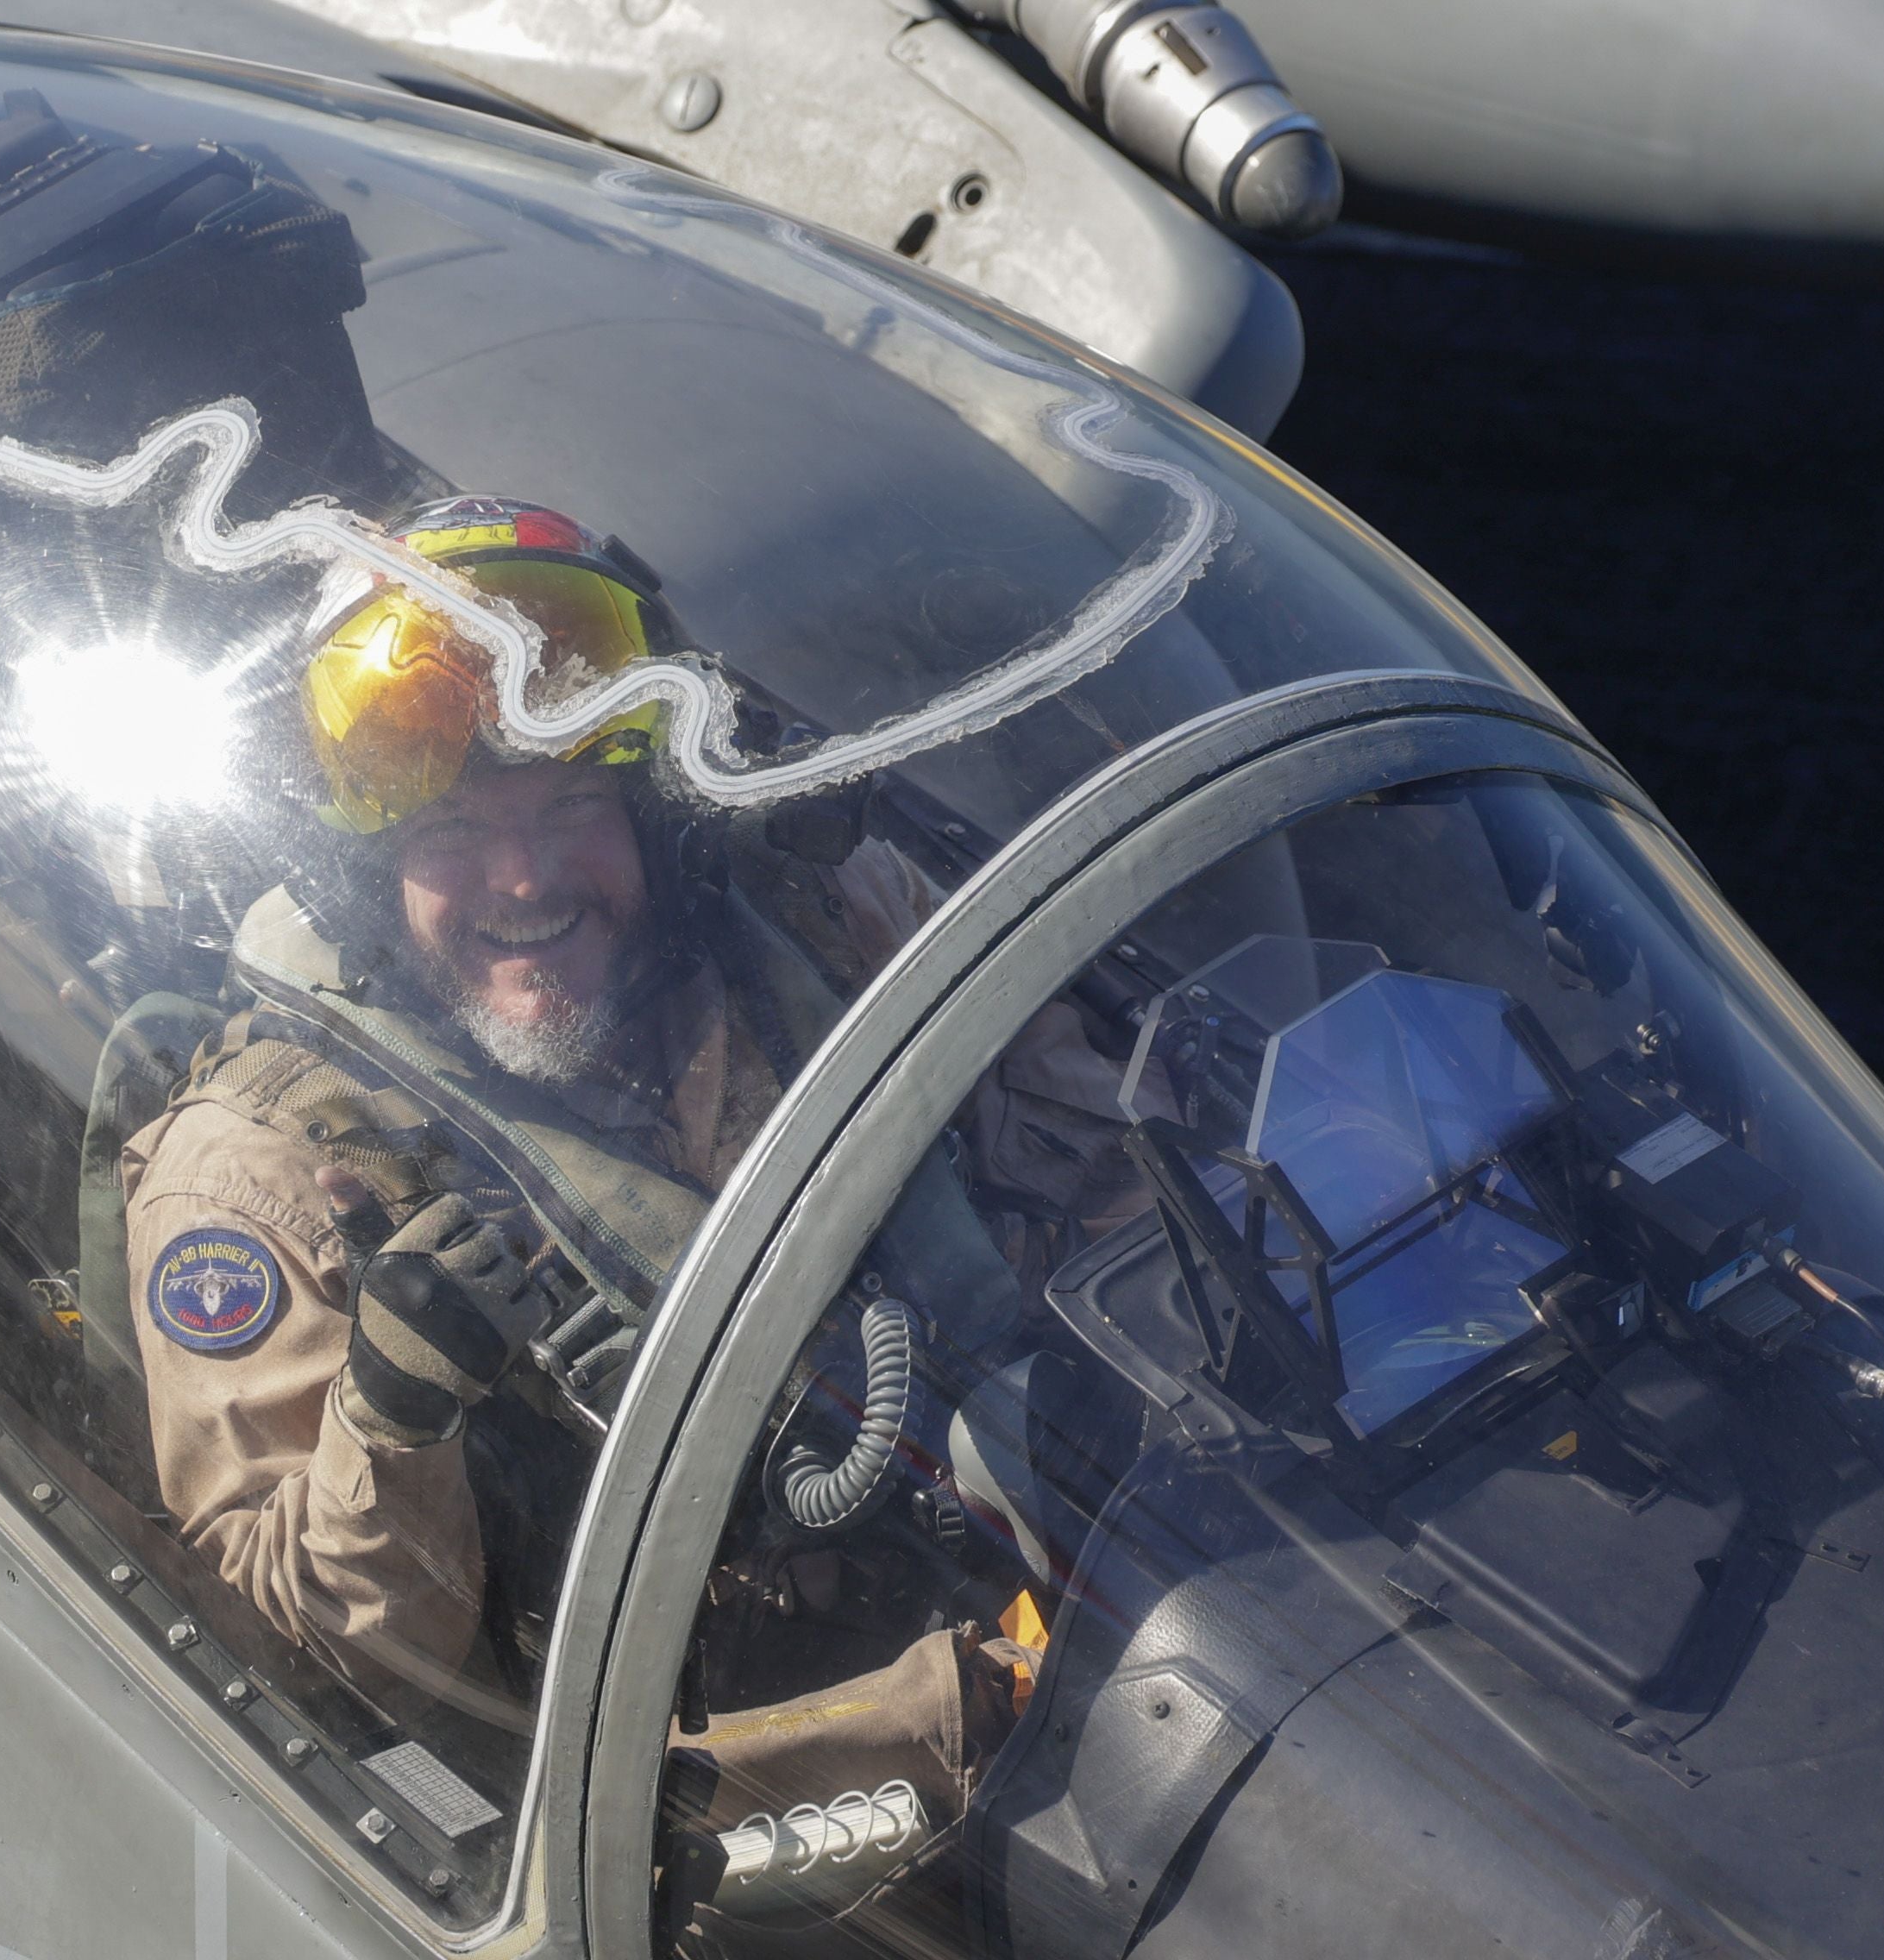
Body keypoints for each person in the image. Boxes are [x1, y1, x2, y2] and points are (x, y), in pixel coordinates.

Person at [119, 496, 1143, 1844]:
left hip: (1102, 1578)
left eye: (573, 806)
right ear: (361, 877)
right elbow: (314, 1674)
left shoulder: (814, 926)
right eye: (450, 836)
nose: (526, 878)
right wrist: (391, 1421)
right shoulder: (252, 1171)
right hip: (762, 1829)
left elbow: (1119, 1158)